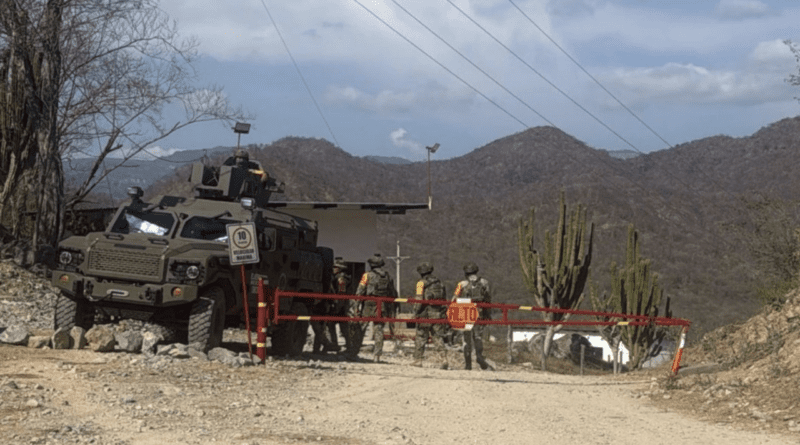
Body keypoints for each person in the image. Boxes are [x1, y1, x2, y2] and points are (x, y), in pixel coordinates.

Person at [348, 253, 397, 362]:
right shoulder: (387, 276)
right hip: (382, 304)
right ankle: (377, 356)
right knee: (379, 329)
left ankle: (353, 352)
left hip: (369, 303)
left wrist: (356, 305)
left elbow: (360, 291)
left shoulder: (367, 275)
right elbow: (392, 293)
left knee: (361, 328)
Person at [452, 262, 493, 370]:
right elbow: (488, 300)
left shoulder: (462, 284)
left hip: (465, 314)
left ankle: (468, 364)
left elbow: (454, 298)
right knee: (478, 337)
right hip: (479, 313)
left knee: (466, 339)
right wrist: (487, 315)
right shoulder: (484, 282)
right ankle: (479, 357)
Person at [410, 262, 449, 369]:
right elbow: (444, 299)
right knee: (438, 337)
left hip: (425, 314)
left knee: (421, 337)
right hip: (438, 313)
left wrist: (415, 313)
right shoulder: (440, 283)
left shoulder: (421, 283)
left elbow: (419, 300)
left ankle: (418, 360)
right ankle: (444, 359)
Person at [328, 257, 351, 354]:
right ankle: (339, 345)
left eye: (335, 267)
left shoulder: (341, 279)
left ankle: (344, 345)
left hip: (340, 306)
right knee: (336, 326)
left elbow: (341, 294)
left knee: (341, 327)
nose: (333, 269)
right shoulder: (339, 277)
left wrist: (337, 307)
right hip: (341, 305)